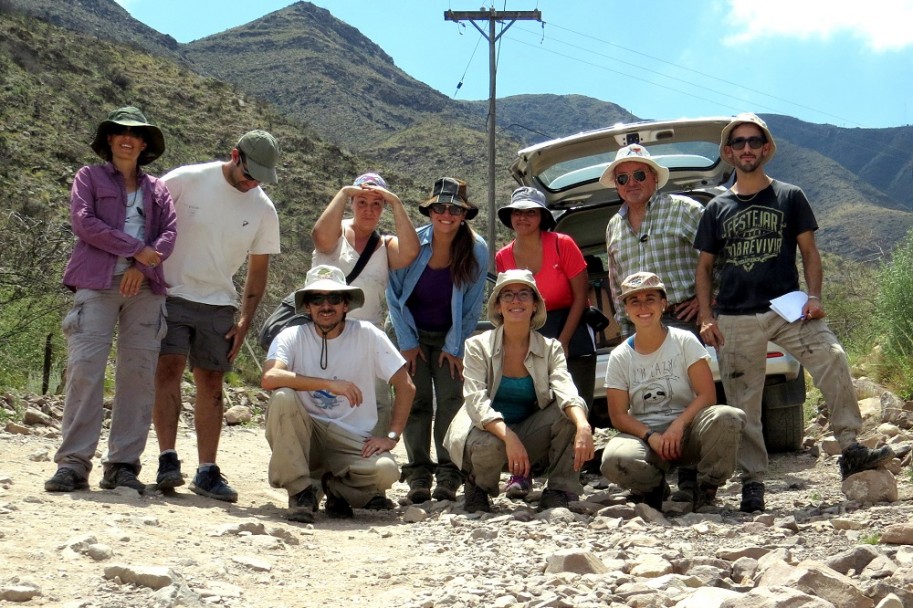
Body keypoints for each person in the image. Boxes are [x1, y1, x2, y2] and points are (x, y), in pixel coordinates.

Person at [695, 112, 895, 513]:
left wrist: (815, 295)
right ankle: (752, 481)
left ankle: (851, 447)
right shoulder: (716, 207)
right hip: (733, 314)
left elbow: (809, 252)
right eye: (739, 143)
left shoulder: (790, 196)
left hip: (787, 308)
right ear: (728, 152)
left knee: (833, 357)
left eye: (754, 141)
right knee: (743, 401)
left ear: (766, 148)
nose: (747, 148)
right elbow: (704, 268)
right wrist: (706, 317)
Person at [45, 106, 176, 494]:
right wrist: (137, 249)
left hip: (145, 287)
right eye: (120, 132)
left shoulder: (158, 189)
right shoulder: (88, 177)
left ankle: (122, 464)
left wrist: (142, 265)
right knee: (86, 369)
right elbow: (84, 223)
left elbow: (169, 232)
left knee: (137, 375)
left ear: (144, 144)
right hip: (97, 282)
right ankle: (73, 463)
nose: (127, 138)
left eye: (136, 134)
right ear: (108, 139)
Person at [153, 130, 282, 503]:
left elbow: (259, 270)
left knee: (211, 383)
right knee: (168, 370)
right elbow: (147, 221)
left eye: (261, 175)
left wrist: (245, 320)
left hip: (219, 304)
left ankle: (207, 471)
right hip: (170, 293)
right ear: (234, 155)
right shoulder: (185, 180)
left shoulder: (263, 209)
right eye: (249, 172)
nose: (252, 181)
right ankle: (167, 460)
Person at [261, 266, 415, 522]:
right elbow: (270, 378)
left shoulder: (368, 335)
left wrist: (391, 436)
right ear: (307, 306)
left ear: (346, 305)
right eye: (317, 299)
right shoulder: (291, 336)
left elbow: (406, 385)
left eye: (334, 298)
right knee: (283, 396)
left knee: (387, 471)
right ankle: (300, 491)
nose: (326, 305)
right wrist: (330, 385)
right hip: (306, 431)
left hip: (350, 436)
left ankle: (334, 488)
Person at [444, 270, 594, 513]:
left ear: (535, 305)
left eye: (524, 294)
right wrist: (508, 437)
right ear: (498, 306)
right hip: (484, 435)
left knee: (570, 416)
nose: (516, 301)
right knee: (489, 445)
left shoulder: (551, 348)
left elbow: (566, 388)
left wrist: (583, 426)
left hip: (528, 433)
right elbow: (476, 402)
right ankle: (477, 486)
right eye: (508, 295)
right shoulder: (477, 346)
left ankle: (558, 489)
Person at [600, 272, 746, 511]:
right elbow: (618, 415)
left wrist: (678, 426)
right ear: (625, 309)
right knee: (614, 460)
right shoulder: (619, 356)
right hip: (646, 437)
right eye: (634, 301)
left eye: (650, 298)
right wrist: (651, 437)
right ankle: (652, 487)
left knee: (729, 417)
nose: (643, 306)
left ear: (663, 304)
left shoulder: (685, 340)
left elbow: (707, 395)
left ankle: (705, 489)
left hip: (689, 430)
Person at [387, 177, 489, 504]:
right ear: (430, 211)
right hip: (409, 333)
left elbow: (473, 305)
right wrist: (406, 342)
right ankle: (418, 473)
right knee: (414, 399)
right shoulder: (412, 243)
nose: (447, 214)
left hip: (450, 335)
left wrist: (454, 347)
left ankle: (449, 473)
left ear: (464, 214)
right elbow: (393, 294)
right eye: (440, 207)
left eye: (455, 209)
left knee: (450, 400)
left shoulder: (476, 249)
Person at [495, 186, 594, 498]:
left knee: (573, 401)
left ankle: (569, 475)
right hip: (527, 331)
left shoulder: (562, 244)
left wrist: (563, 340)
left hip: (571, 326)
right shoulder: (504, 256)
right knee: (529, 404)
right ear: (510, 217)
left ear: (542, 217)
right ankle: (523, 473)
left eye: (531, 211)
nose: (523, 217)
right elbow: (508, 301)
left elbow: (581, 296)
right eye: (518, 211)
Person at [311, 172, 419, 436]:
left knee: (376, 401)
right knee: (324, 398)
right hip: (324, 333)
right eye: (361, 202)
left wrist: (396, 203)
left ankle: (375, 454)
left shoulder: (385, 245)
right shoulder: (336, 235)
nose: (368, 210)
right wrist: (344, 192)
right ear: (351, 203)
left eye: (376, 204)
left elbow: (411, 252)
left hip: (367, 337)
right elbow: (319, 237)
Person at [603, 144, 704, 337]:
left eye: (639, 175)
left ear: (655, 177)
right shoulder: (613, 226)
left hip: (685, 320)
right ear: (617, 185)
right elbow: (616, 283)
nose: (631, 183)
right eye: (622, 178)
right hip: (637, 327)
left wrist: (707, 299)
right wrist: (625, 331)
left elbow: (720, 256)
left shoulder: (686, 210)